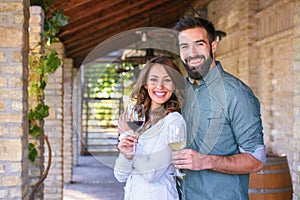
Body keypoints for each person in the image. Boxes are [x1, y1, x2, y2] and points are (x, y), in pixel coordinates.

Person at [171, 17, 266, 200]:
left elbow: (256, 160)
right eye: (184, 46)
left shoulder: (236, 94)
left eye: (199, 44)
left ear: (213, 47)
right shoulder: (182, 90)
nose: (191, 53)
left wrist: (205, 161)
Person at [114, 56, 186, 200]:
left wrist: (127, 134)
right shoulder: (140, 119)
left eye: (167, 80)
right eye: (154, 79)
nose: (160, 86)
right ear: (146, 84)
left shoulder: (173, 121)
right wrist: (127, 154)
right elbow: (120, 175)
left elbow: (151, 173)